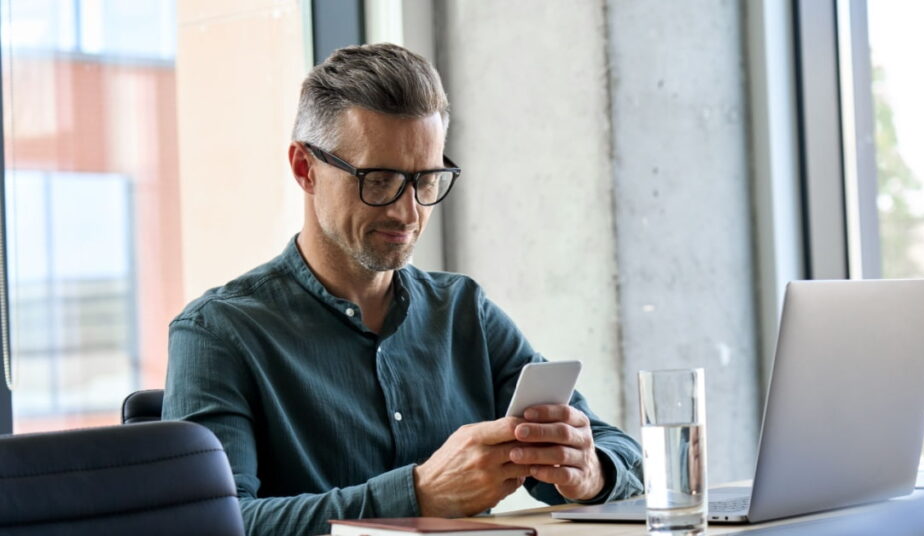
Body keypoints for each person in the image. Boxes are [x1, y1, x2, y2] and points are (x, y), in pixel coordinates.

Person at [163, 43, 643, 536]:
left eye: (426, 181)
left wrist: (588, 471)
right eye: (380, 179)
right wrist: (418, 495)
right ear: (305, 169)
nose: (408, 211)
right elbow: (212, 523)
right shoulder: (218, 333)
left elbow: (620, 451)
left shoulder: (463, 312)